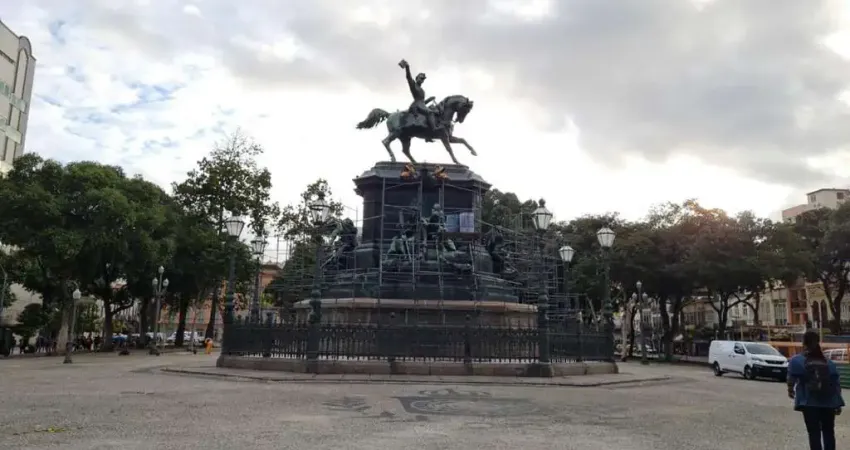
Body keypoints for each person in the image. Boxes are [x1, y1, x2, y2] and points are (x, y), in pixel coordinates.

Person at [787, 330, 844, 450]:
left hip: (809, 403)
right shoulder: (828, 363)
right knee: (829, 432)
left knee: (814, 433)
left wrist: (790, 390)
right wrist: (838, 403)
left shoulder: (797, 360)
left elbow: (791, 379)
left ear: (804, 343)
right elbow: (836, 383)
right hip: (829, 403)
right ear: (818, 342)